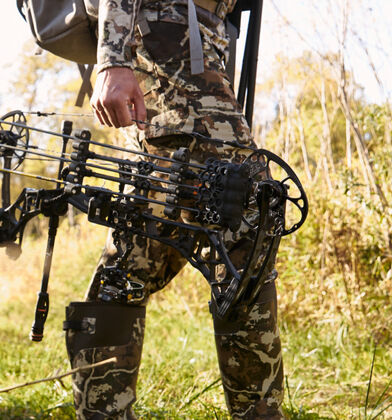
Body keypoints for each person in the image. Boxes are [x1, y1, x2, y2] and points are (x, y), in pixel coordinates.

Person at [64, 0, 285, 418]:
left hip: (194, 73)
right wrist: (112, 60)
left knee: (140, 261)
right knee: (242, 237)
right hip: (170, 78)